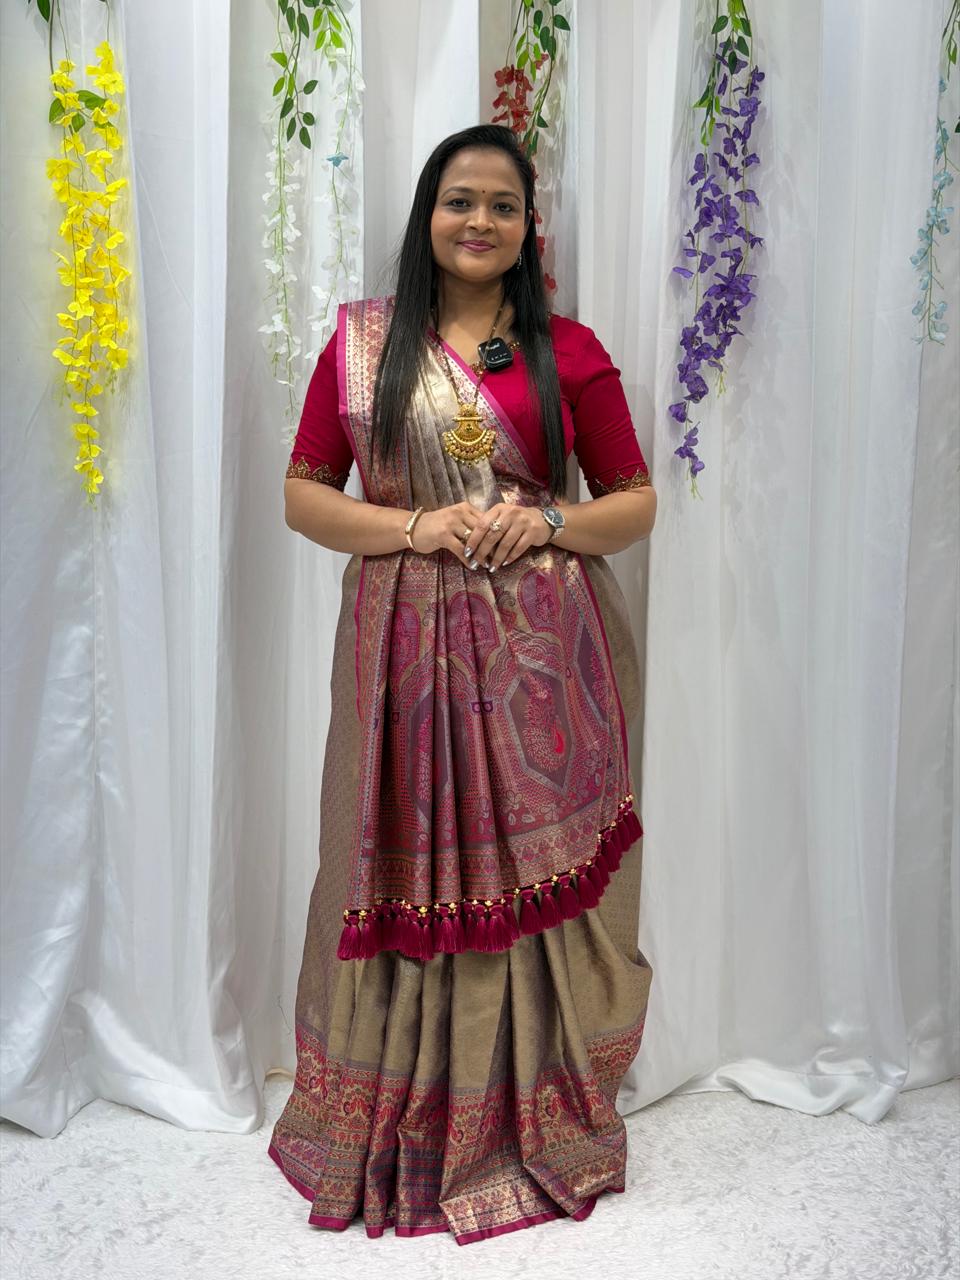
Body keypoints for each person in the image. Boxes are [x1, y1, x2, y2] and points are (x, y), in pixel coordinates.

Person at [267, 123, 656, 1246]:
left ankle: (530, 1103)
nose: (479, 220)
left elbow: (632, 502)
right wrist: (416, 526)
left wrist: (545, 518)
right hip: (401, 659)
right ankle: (399, 1109)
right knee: (401, 858)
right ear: (426, 215)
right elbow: (303, 494)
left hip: (543, 664)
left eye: (502, 204)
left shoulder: (566, 351)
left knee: (527, 881)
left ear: (529, 227)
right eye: (458, 200)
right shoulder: (363, 347)